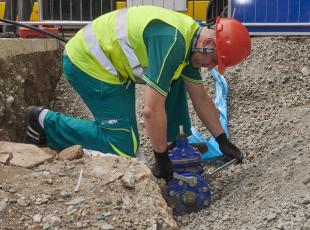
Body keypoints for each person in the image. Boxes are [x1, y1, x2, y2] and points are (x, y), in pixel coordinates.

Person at [24, 6, 251, 182]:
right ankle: (43, 121)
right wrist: (160, 159)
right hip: (89, 65)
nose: (211, 67)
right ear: (208, 44)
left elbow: (200, 96)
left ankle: (174, 143)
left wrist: (222, 140)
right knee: (123, 145)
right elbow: (151, 111)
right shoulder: (172, 43)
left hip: (114, 65)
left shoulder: (192, 39)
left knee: (175, 80)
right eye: (213, 61)